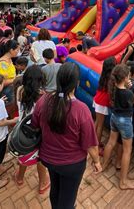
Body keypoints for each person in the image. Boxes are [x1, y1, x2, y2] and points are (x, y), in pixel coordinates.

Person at [31, 62, 101, 208]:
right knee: (68, 199)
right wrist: (96, 161)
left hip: (48, 159)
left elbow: (35, 126)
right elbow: (90, 144)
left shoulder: (43, 101)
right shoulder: (82, 110)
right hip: (71, 165)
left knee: (55, 188)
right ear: (77, 83)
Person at [102, 64, 134, 190]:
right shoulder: (128, 93)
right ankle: (123, 182)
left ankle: (103, 165)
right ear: (125, 78)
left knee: (111, 142)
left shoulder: (114, 88)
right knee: (127, 150)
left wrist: (128, 87)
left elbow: (124, 91)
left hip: (114, 117)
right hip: (124, 121)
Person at [13, 65, 50, 193]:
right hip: (36, 131)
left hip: (23, 128)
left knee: (24, 153)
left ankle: (20, 177)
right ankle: (43, 183)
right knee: (40, 158)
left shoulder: (20, 90)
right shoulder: (42, 96)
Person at [93, 56, 116, 146]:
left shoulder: (104, 74)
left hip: (97, 100)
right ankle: (97, 145)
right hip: (102, 103)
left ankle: (93, 141)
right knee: (100, 126)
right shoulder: (111, 78)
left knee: (97, 122)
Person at [0, 40, 20, 116]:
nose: (18, 52)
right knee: (8, 109)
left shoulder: (9, 60)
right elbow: (0, 82)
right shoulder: (2, 64)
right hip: (6, 91)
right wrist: (15, 79)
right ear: (11, 50)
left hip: (12, 89)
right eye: (17, 50)